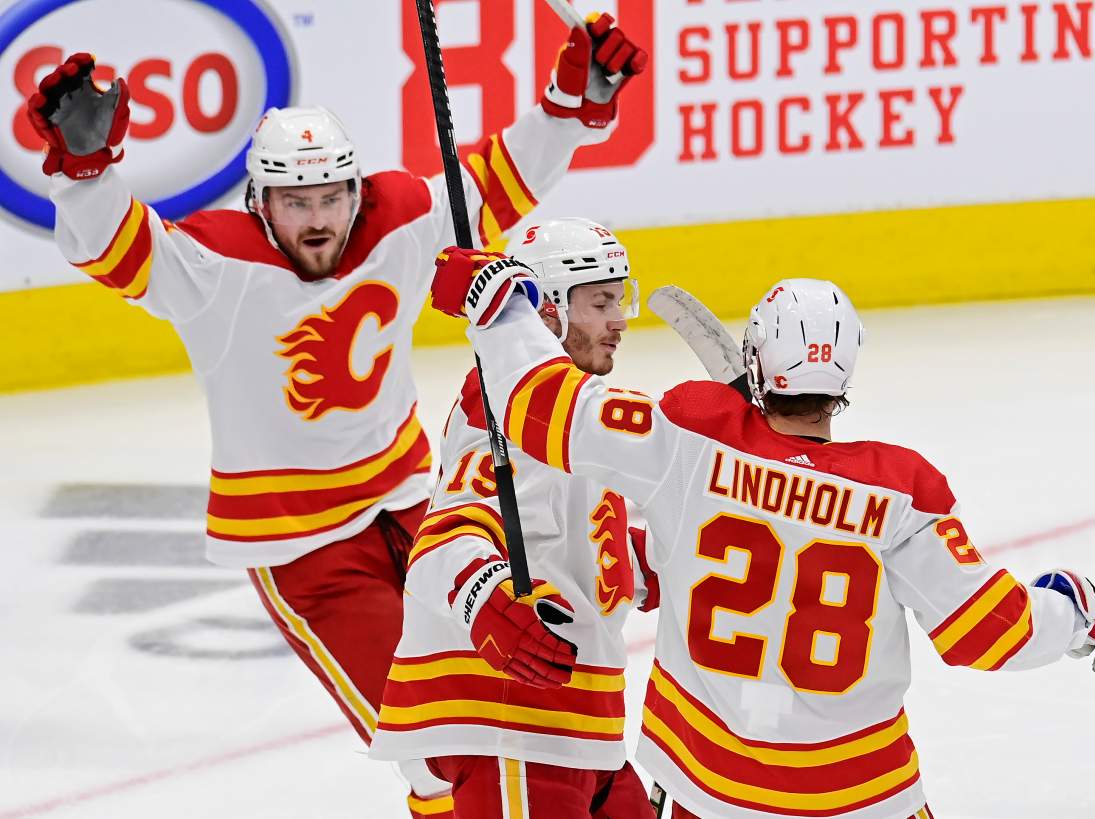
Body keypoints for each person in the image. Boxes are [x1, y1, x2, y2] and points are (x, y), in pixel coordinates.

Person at [26, 16, 646, 817]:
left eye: (331, 197)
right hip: (305, 544)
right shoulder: (215, 266)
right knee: (434, 744)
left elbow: (492, 182)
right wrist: (84, 171)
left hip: (415, 503)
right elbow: (109, 245)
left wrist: (573, 102)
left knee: (505, 698)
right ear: (260, 201)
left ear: (356, 189)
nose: (317, 219)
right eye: (295, 202)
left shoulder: (394, 217)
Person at [426, 257, 1095, 819]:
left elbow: (540, 405)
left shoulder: (689, 437)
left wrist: (501, 308)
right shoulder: (899, 492)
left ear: (758, 362)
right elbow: (991, 632)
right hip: (863, 799)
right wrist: (1077, 608)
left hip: (709, 792)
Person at [368, 219, 658, 818]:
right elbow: (449, 536)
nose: (620, 319)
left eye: (620, 297)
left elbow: (564, 534)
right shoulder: (506, 411)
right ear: (548, 310)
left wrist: (648, 561)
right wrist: (487, 600)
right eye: (601, 301)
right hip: (514, 729)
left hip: (576, 729)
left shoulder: (565, 408)